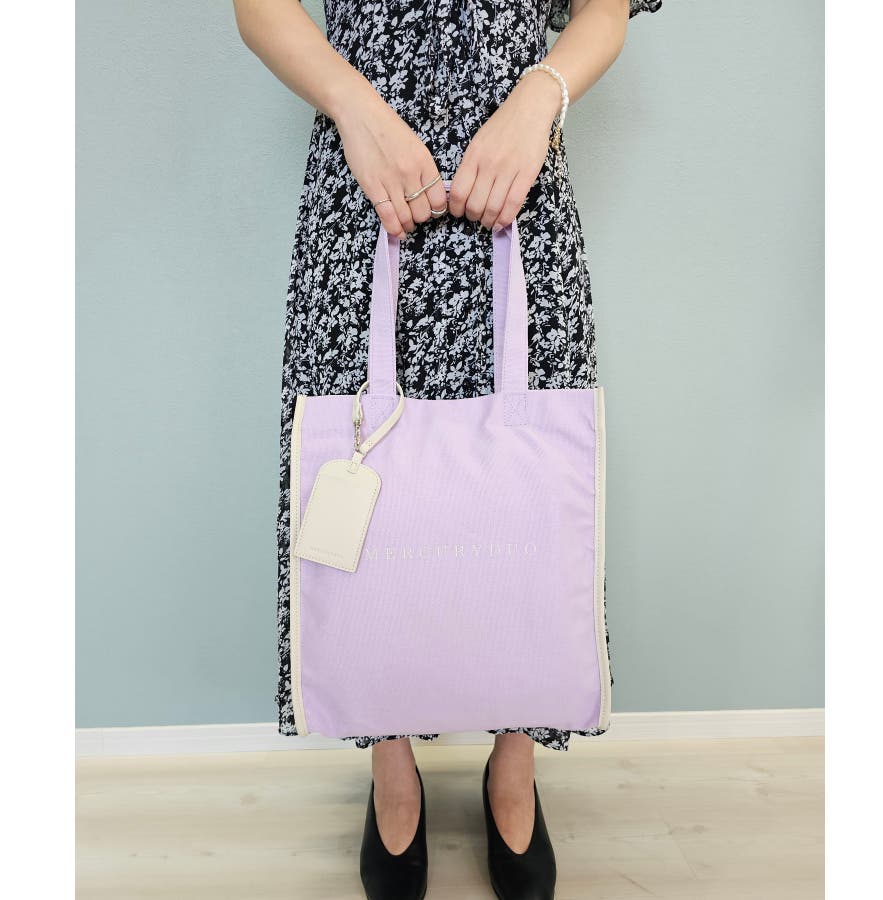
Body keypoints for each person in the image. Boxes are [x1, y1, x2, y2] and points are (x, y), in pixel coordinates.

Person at [233, 1, 661, 897]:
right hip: (365, 190)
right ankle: (390, 768)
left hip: (520, 184)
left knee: (528, 497)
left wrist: (539, 97)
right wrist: (356, 109)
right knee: (370, 497)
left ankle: (517, 762)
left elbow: (607, 9)